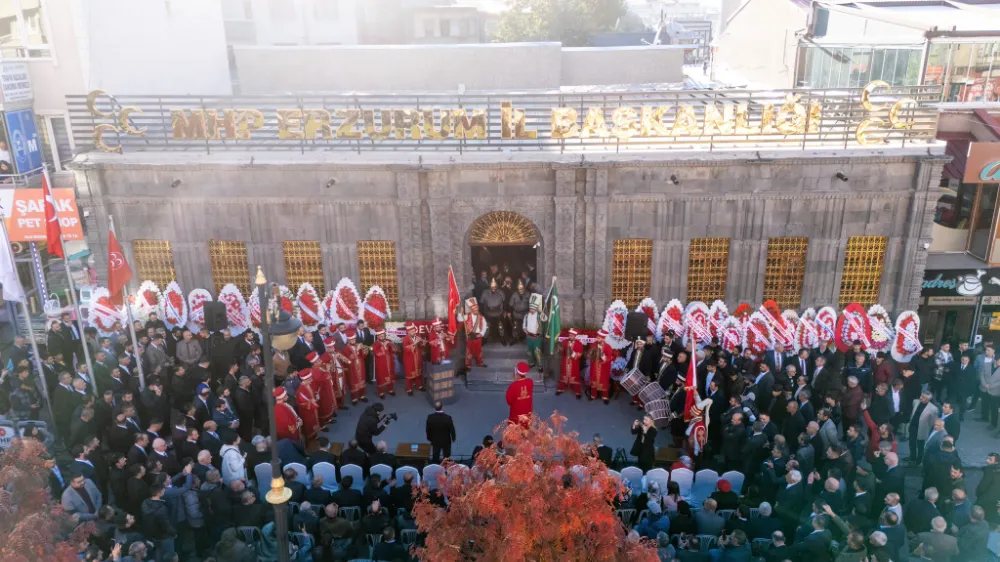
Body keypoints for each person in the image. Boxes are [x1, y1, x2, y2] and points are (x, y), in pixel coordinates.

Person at [401, 323, 426, 394]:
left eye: (414, 330)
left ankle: (419, 386)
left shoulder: (418, 336)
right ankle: (409, 389)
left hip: (418, 358)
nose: (414, 332)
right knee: (409, 375)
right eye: (412, 331)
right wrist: (415, 343)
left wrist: (423, 343)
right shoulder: (405, 338)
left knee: (418, 374)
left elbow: (421, 347)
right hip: (409, 360)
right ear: (408, 331)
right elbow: (406, 349)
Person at [464, 298, 487, 369]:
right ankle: (468, 365)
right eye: (474, 310)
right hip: (470, 336)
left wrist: (482, 333)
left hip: (478, 335)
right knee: (469, 351)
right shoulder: (466, 316)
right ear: (471, 310)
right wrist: (459, 313)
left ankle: (479, 362)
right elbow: (460, 320)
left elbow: (484, 326)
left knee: (478, 350)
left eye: (477, 310)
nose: (476, 311)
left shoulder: (481, 317)